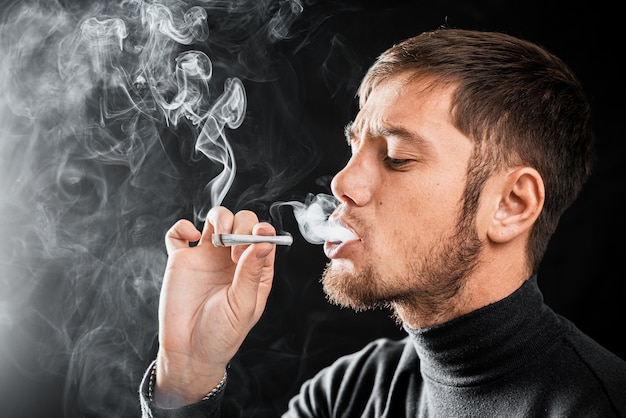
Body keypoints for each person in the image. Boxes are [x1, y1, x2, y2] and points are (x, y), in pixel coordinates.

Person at [139, 28, 626, 417]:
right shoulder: (347, 394)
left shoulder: (594, 405)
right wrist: (186, 377)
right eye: (354, 149)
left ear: (511, 206)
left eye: (395, 157)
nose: (342, 183)